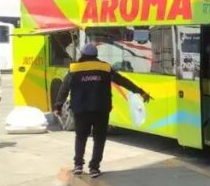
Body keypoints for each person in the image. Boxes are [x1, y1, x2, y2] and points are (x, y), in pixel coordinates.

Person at [54, 43, 151, 178]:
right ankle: (94, 168)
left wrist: (58, 106)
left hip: (81, 110)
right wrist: (140, 91)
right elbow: (123, 81)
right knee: (99, 139)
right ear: (96, 55)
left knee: (81, 137)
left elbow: (64, 89)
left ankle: (78, 165)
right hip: (101, 109)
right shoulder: (105, 68)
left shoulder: (74, 69)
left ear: (82, 54)